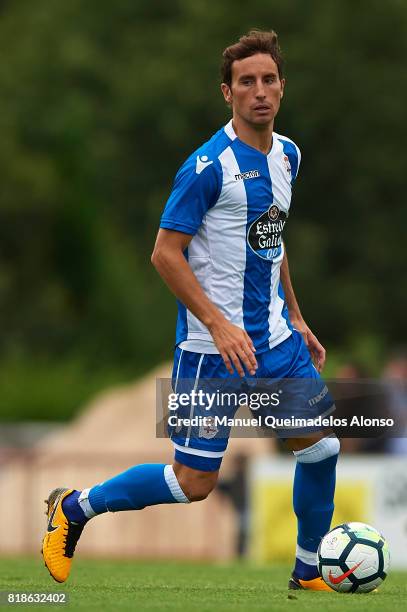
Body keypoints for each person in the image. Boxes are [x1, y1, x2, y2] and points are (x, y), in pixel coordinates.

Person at [42, 30, 340, 592]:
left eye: (268, 80)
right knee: (193, 482)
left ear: (282, 88)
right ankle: (75, 508)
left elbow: (271, 243)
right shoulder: (207, 166)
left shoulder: (288, 156)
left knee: (321, 445)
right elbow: (163, 253)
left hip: (274, 342)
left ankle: (309, 572)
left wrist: (296, 316)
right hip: (211, 352)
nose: (259, 91)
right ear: (225, 93)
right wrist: (218, 323)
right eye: (246, 82)